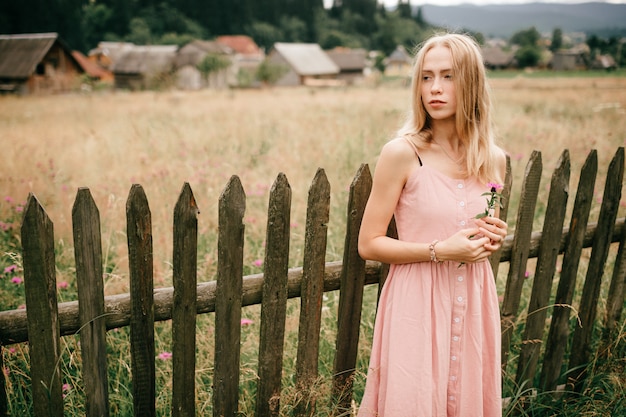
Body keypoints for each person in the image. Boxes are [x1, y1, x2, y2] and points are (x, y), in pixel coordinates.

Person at [356, 32, 508, 417]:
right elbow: (369, 244)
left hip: (473, 299)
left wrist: (491, 239)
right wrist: (440, 250)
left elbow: (478, 234)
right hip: (416, 302)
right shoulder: (402, 154)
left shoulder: (493, 160)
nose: (434, 89)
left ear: (471, 82)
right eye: (426, 77)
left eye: (448, 76)